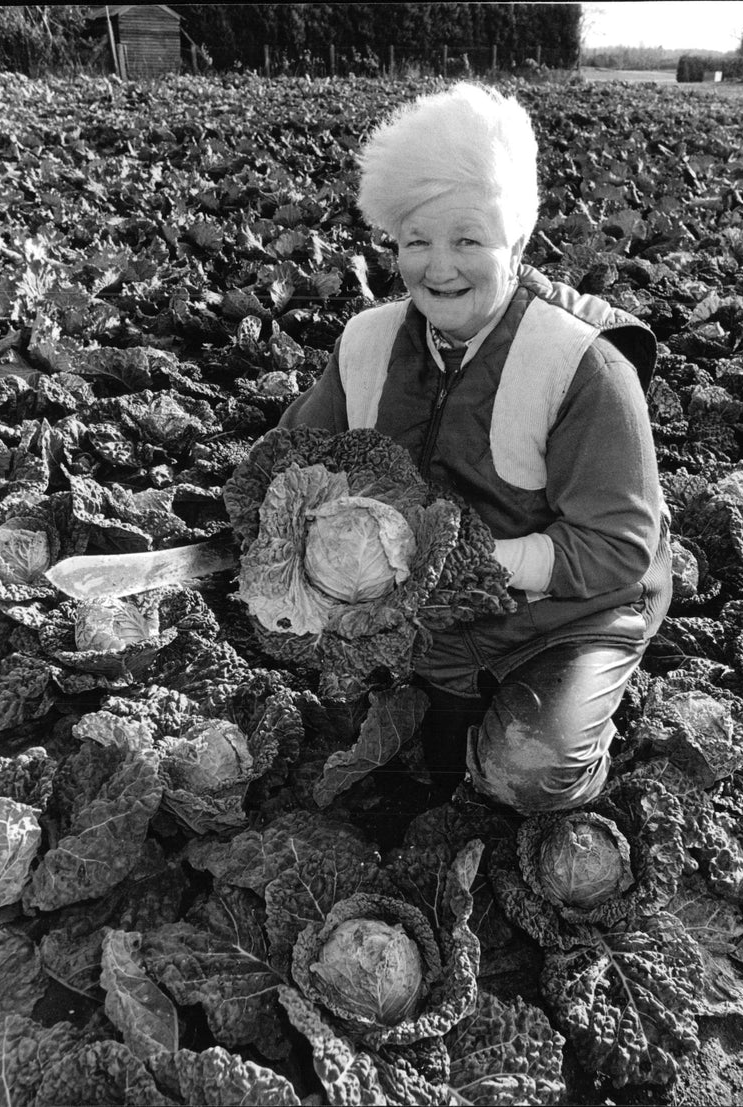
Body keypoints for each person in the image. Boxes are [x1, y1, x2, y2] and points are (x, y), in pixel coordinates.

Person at [278, 82, 672, 813]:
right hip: (427, 620)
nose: (438, 266)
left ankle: (596, 731)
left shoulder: (587, 368)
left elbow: (619, 549)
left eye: (467, 239)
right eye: (416, 240)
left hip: (569, 614)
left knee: (526, 770)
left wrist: (478, 561)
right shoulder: (367, 343)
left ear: (517, 241)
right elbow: (287, 461)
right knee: (383, 768)